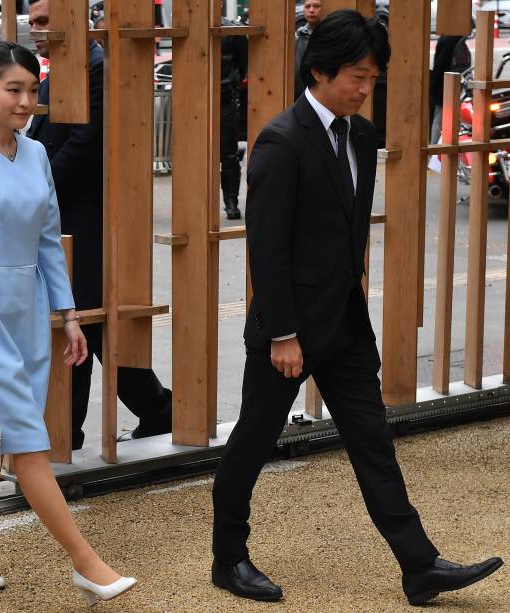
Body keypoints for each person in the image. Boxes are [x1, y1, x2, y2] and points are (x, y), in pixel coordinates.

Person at [210, 10, 504, 605]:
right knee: (252, 442)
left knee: (373, 442)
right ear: (319, 71)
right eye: (358, 76)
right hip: (286, 332)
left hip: (345, 324)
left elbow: (348, 228)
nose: (367, 89)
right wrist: (283, 333)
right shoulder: (280, 141)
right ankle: (229, 558)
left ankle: (419, 566)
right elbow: (266, 249)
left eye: (373, 77)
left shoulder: (362, 135)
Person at [0, 41, 137, 605]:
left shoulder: (37, 154)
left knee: (1, 432)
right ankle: (86, 563)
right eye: (13, 90)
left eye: (31, 91)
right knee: (26, 441)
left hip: (28, 302)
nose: (25, 101)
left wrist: (68, 315)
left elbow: (48, 239)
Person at [27, 0, 172, 449]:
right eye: (33, 22)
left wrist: (35, 185)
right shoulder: (57, 73)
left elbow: (85, 145)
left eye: (46, 21)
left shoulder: (94, 67)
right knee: (93, 325)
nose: (38, 30)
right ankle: (157, 409)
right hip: (65, 219)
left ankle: (67, 435)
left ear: (77, 20)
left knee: (83, 319)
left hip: (87, 220)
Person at [219, 17, 248, 220]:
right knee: (193, 154)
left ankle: (231, 201)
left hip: (226, 97)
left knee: (229, 153)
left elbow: (244, 67)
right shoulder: (192, 26)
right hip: (195, 98)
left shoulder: (234, 31)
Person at [429, 35, 470, 144]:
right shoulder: (453, 40)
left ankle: (436, 151)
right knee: (441, 123)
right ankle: (436, 153)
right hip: (446, 90)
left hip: (443, 89)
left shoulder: (449, 39)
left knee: (440, 122)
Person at [294, 0, 322, 101]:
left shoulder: (329, 34)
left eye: (316, 6)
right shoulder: (298, 34)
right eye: (307, 6)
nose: (311, 10)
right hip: (299, 92)